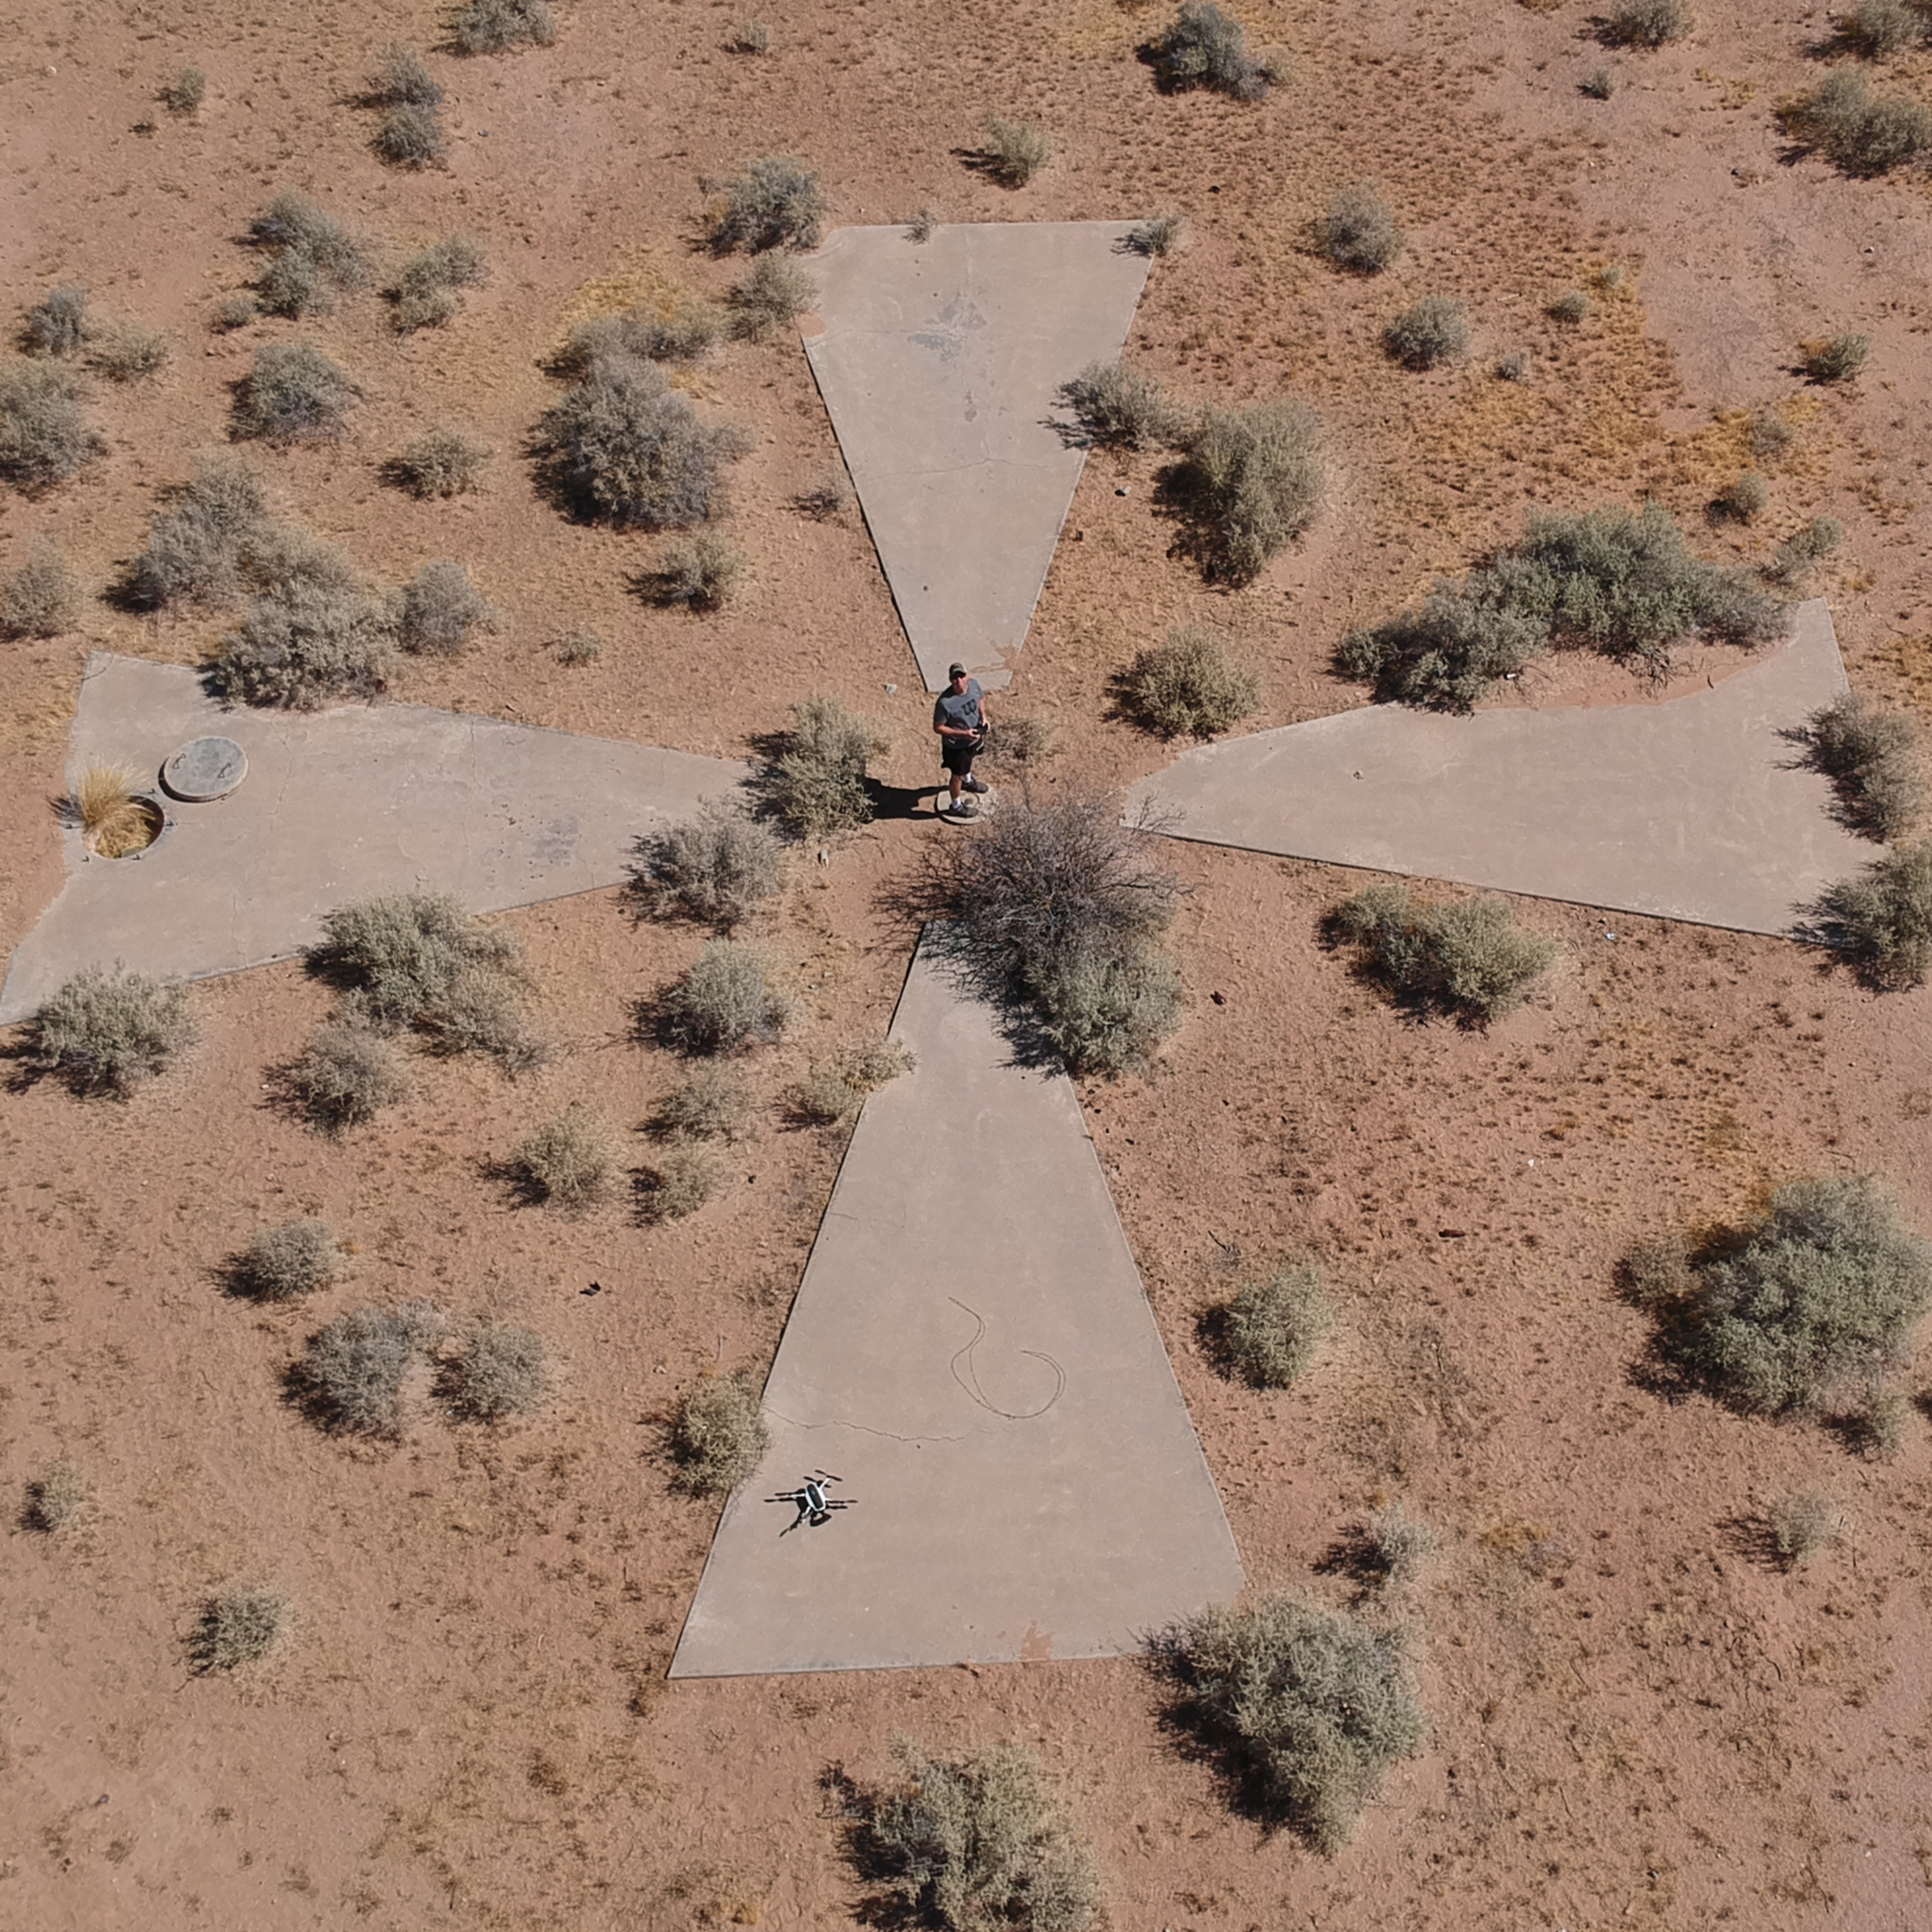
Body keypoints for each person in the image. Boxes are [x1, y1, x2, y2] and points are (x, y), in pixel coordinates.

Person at [932, 662, 992, 818]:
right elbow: (938, 728)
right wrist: (963, 734)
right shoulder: (945, 703)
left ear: (967, 676)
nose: (959, 681)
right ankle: (956, 806)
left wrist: (984, 717)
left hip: (973, 738)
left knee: (968, 762)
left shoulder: (974, 685)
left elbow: (980, 699)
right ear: (950, 680)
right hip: (956, 745)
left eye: (961, 676)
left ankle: (968, 781)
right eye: (955, 678)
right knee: (957, 775)